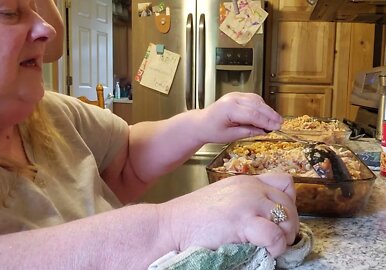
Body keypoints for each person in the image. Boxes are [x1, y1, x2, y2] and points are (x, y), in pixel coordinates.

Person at [0, 0, 299, 269]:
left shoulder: (51, 112)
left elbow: (126, 156)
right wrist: (168, 227)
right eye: (9, 12)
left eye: (36, 8)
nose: (46, 28)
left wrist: (203, 122)